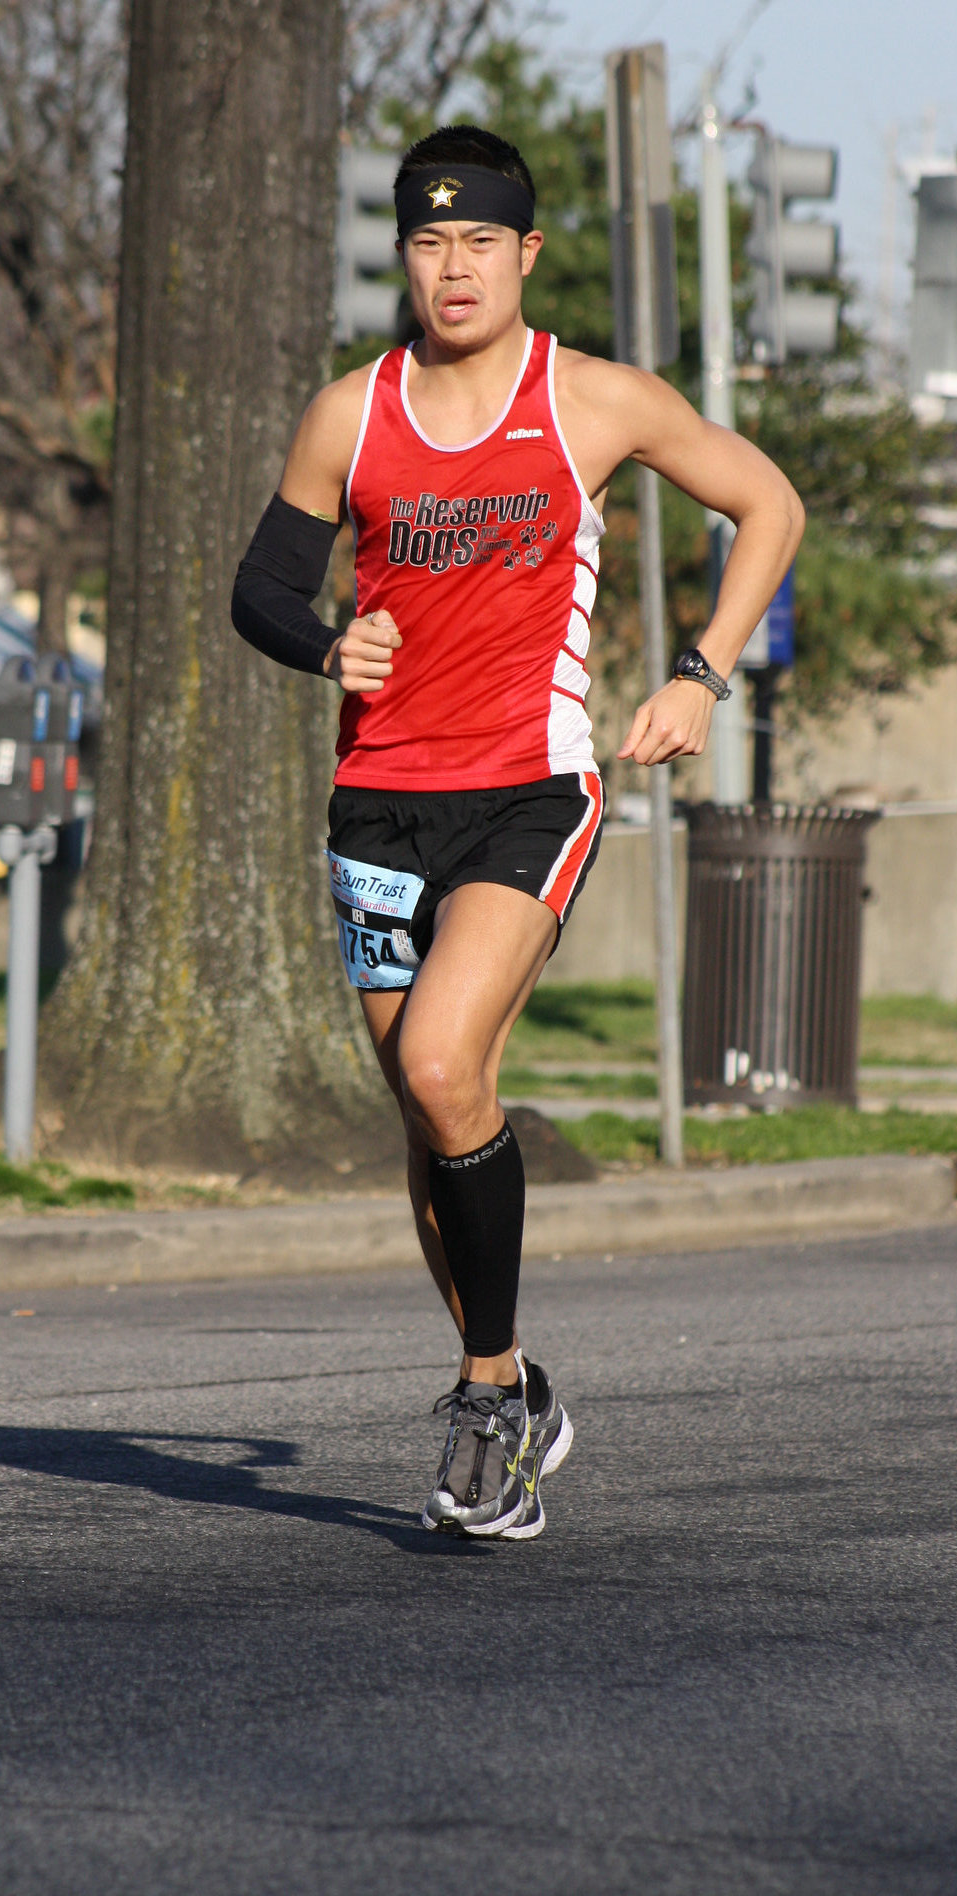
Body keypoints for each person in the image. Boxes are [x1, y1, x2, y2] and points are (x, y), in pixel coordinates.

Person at [231, 124, 803, 1539]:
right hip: (376, 801)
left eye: (477, 241)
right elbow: (260, 591)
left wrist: (699, 672)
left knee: (439, 1058)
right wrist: (322, 653)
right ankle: (507, 1385)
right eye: (427, 244)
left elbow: (765, 502)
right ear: (403, 259)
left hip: (529, 789)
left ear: (524, 253)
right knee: (431, 1122)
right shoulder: (345, 414)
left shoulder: (593, 402)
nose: (452, 269)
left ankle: (488, 1403)